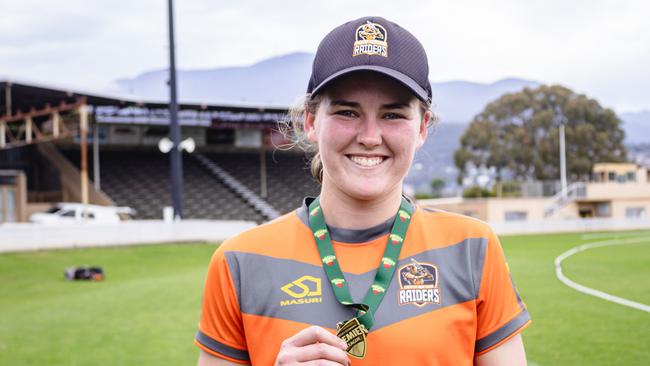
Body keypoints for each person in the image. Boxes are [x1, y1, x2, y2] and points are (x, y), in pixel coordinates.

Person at [195, 16, 530, 365]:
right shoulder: (239, 262)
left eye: (393, 115)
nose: (370, 137)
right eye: (347, 112)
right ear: (311, 121)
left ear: (422, 127)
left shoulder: (472, 248)